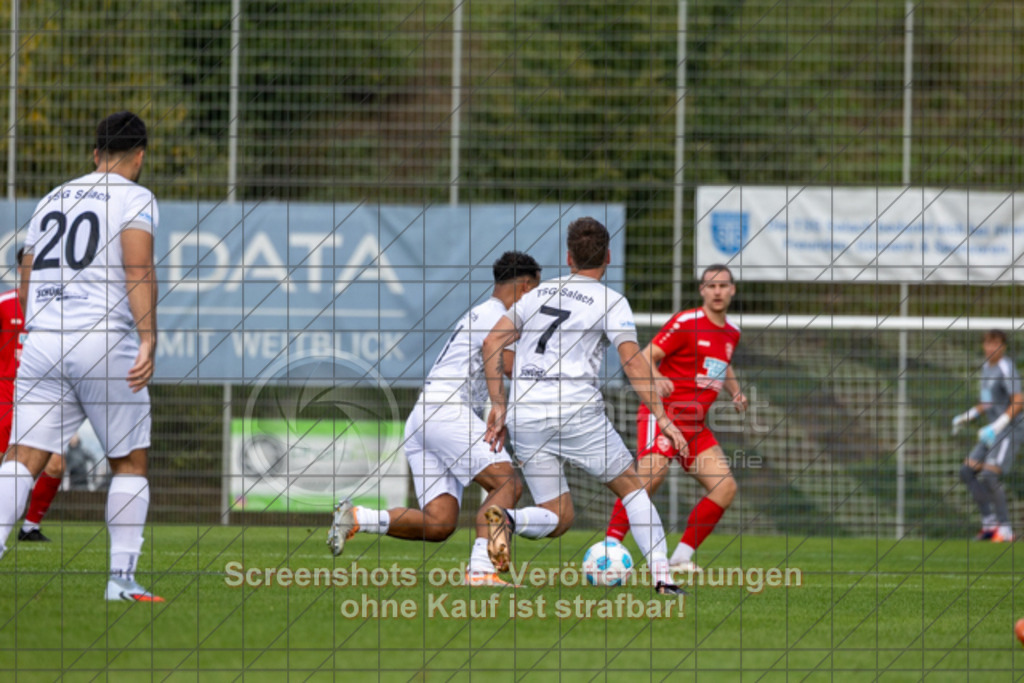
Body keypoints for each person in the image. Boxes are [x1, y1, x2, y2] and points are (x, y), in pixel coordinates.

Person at [0, 111, 162, 602]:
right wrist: (148, 337)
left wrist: (40, 323)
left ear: (95, 154)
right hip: (102, 338)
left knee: (20, 458)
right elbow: (137, 266)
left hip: (44, 338)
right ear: (139, 156)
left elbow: (27, 268)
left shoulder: (55, 196)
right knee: (129, 461)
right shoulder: (136, 197)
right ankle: (121, 581)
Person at [481, 216, 688, 595]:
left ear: (568, 258)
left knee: (558, 516)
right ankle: (663, 579)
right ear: (608, 256)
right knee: (633, 491)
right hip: (577, 413)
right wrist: (663, 416)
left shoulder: (536, 295)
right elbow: (633, 362)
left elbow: (492, 344)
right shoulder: (611, 301)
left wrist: (499, 406)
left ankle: (508, 519)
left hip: (527, 414)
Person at [328, 251, 542, 587]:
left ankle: (357, 517)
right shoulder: (497, 316)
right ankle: (481, 569)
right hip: (445, 411)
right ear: (527, 288)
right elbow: (510, 364)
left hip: (425, 416)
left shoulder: (482, 313)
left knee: (439, 523)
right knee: (507, 483)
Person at [604, 264, 745, 576]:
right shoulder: (686, 322)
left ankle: (681, 557)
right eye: (711, 286)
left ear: (732, 289)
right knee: (650, 479)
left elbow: (724, 363)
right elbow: (645, 355)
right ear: (702, 291)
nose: (718, 291)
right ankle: (609, 546)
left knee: (724, 487)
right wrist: (656, 377)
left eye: (723, 285)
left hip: (696, 427)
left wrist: (736, 393)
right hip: (664, 415)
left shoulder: (731, 332)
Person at [0, 248, 63, 543]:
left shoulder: (58, 307)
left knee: (56, 464)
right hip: (6, 398)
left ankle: (29, 527)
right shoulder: (5, 305)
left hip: (42, 399)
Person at [953, 329, 1024, 542]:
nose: (991, 348)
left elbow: (1019, 401)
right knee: (966, 471)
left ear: (1003, 347)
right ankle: (989, 524)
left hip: (1009, 430)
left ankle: (1005, 530)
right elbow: (987, 402)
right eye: (988, 343)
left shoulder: (1006, 367)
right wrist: (967, 415)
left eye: (996, 344)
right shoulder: (986, 367)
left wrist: (999, 424)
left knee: (990, 475)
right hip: (993, 431)